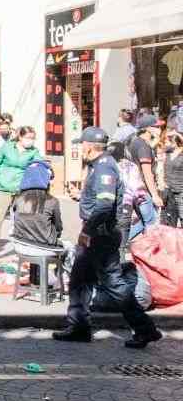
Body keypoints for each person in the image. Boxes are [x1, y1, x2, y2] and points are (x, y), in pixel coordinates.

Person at [53, 127, 161, 349]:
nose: (79, 148)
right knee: (79, 280)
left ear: (89, 146)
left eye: (81, 144)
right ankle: (79, 327)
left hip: (100, 236)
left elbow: (104, 205)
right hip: (96, 234)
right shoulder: (97, 166)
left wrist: (87, 231)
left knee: (114, 285)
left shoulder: (104, 167)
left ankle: (145, 329)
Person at [0, 125, 38, 253]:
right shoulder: (7, 147)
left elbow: (40, 165)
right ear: (20, 137)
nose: (30, 140)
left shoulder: (33, 151)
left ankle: (22, 247)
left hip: (21, 190)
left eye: (33, 138)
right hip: (3, 188)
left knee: (22, 219)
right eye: (28, 137)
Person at [10, 158, 63, 250]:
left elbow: (15, 221)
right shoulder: (52, 201)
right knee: (70, 248)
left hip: (21, 245)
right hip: (46, 247)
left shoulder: (18, 199)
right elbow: (58, 227)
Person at [126, 113, 163, 234]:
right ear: (147, 129)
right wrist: (155, 195)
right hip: (143, 191)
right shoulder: (143, 147)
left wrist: (153, 144)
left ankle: (120, 243)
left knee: (143, 222)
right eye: (156, 127)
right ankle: (148, 251)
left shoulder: (136, 142)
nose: (159, 129)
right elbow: (147, 173)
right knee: (151, 224)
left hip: (135, 189)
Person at [162, 130, 183, 226]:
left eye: (169, 142)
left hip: (180, 190)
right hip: (168, 190)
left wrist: (178, 135)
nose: (166, 144)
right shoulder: (167, 153)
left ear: (175, 143)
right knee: (168, 218)